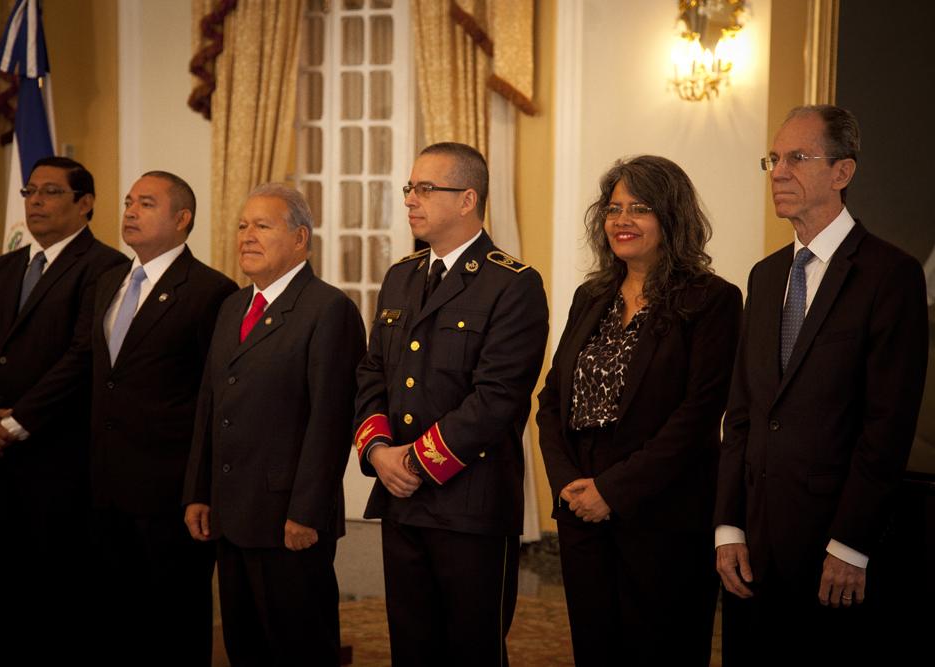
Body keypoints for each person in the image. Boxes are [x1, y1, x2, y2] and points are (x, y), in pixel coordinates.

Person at [714, 105, 929, 665]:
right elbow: (742, 413)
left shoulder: (890, 276)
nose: (778, 172)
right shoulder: (763, 277)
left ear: (842, 173)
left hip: (831, 549)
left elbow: (887, 426)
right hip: (752, 551)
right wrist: (728, 526)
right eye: (774, 159)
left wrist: (850, 544)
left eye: (798, 158)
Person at [536, 155, 742, 665]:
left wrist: (613, 490)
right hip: (582, 511)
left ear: (671, 218)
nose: (621, 220)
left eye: (640, 208)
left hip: (664, 515)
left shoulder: (712, 300)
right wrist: (568, 485)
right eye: (613, 208)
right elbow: (551, 402)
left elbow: (697, 416)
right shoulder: (592, 295)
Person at [354, 142, 549, 666]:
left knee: (471, 652)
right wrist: (378, 453)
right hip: (403, 503)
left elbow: (498, 397)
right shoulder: (402, 276)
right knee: (411, 649)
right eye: (409, 188)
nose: (410, 200)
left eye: (424, 189)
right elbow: (373, 371)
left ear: (467, 199)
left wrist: (413, 460)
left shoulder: (512, 283)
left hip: (472, 506)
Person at [0, 156, 128, 665]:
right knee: (11, 589)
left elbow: (82, 356)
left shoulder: (105, 267)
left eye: (50, 192)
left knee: (63, 593)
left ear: (85, 204)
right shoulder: (3, 267)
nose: (35, 202)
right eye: (30, 192)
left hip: (61, 456)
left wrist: (16, 419)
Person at [183, 183, 365, 666]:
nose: (246, 236)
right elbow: (209, 404)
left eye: (262, 226)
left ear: (301, 239)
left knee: (299, 649)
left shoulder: (328, 309)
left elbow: (330, 421)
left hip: (289, 518)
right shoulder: (231, 307)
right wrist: (198, 491)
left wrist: (306, 511)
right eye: (242, 225)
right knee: (247, 649)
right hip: (230, 513)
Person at [88, 171, 237, 665]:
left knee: (173, 622)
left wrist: (202, 487)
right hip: (106, 484)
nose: (129, 211)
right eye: (129, 201)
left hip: (170, 489)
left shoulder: (211, 291)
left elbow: (215, 398)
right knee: (116, 619)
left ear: (182, 219)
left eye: (146, 204)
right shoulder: (110, 280)